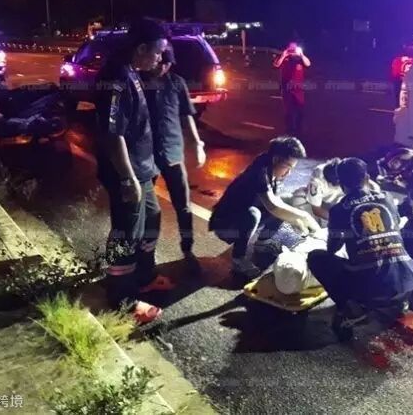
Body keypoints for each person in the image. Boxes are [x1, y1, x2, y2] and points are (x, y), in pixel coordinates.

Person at [94, 17, 168, 326]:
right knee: (126, 231)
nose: (160, 58)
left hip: (142, 168)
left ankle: (144, 276)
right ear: (140, 48)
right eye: (157, 52)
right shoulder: (116, 78)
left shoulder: (132, 71)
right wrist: (127, 178)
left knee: (152, 218)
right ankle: (122, 299)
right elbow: (113, 135)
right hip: (127, 172)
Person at [307, 158, 413, 338]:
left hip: (373, 288)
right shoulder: (387, 198)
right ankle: (398, 301)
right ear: (367, 178)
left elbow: (332, 248)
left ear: (342, 185)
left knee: (317, 258)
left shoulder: (339, 210)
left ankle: (352, 309)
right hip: (409, 278)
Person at [208, 136, 320, 278]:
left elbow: (277, 203)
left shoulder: (271, 167)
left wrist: (297, 217)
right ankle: (238, 259)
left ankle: (263, 243)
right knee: (253, 214)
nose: (288, 173)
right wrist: (304, 217)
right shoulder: (259, 172)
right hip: (225, 226)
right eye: (287, 167)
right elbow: (273, 207)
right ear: (276, 159)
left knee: (285, 202)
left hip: (241, 217)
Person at [142, 42, 206, 272]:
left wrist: (197, 143)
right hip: (147, 155)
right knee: (148, 210)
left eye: (167, 63)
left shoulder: (177, 83)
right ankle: (146, 255)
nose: (162, 67)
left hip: (173, 152)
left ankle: (187, 249)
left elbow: (187, 115)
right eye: (160, 62)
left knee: (183, 206)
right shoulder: (139, 82)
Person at [290, 158, 381, 226]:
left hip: (342, 201)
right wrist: (340, 220)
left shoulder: (346, 168)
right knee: (299, 199)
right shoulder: (317, 181)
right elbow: (316, 210)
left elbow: (370, 184)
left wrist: (375, 197)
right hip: (323, 203)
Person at [273, 42, 311, 137]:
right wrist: (284, 55)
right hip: (287, 89)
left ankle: (299, 130)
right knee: (289, 111)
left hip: (298, 90)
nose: (293, 51)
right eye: (291, 49)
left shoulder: (300, 59)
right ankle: (289, 131)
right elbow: (276, 65)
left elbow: (308, 64)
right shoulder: (284, 58)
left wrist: (301, 55)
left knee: (300, 111)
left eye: (294, 49)